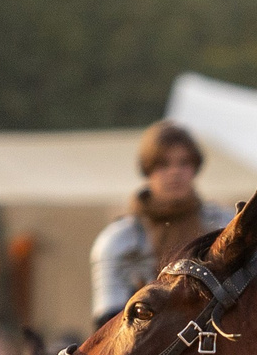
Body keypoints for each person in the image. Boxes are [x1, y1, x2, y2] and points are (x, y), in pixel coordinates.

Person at [91, 123, 233, 322]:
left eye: (184, 163)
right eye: (164, 164)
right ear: (148, 170)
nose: (175, 172)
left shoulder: (221, 225)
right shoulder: (121, 239)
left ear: (195, 168)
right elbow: (108, 321)